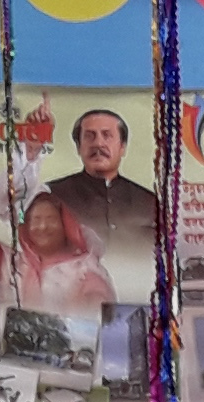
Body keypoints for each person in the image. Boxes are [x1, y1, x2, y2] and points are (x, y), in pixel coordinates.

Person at [36, 103, 158, 290]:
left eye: (107, 135)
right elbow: (20, 219)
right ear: (79, 147)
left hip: (139, 294)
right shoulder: (52, 196)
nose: (98, 144)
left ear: (122, 147)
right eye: (90, 136)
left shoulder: (149, 202)